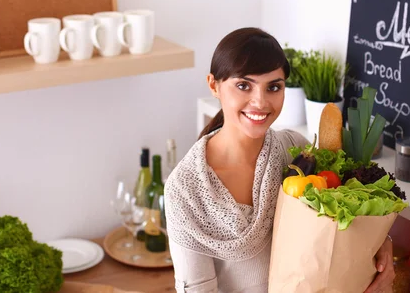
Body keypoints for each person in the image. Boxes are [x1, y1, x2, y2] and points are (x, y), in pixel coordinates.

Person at [164, 27, 395, 293]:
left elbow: (341, 226)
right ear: (214, 85)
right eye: (243, 85)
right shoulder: (184, 190)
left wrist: (380, 243)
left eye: (273, 87)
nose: (260, 102)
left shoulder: (296, 151)